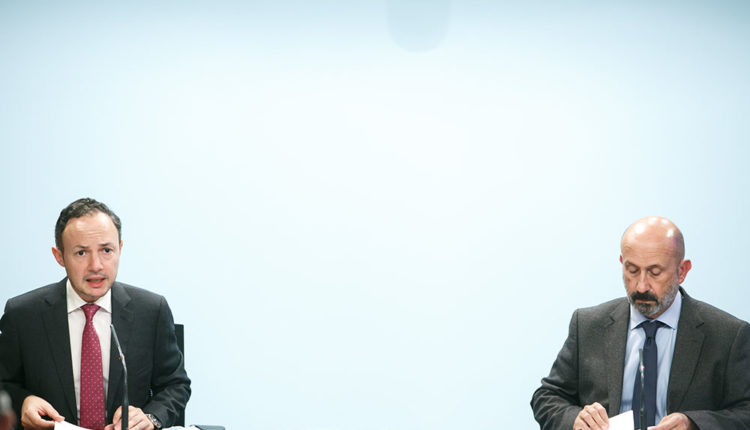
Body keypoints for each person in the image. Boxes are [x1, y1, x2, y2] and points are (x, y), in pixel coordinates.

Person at [531, 216, 750, 430]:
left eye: (655, 272)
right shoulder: (588, 325)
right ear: (622, 263)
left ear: (682, 271)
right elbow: (548, 396)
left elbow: (745, 412)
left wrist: (693, 423)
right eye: (632, 270)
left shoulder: (728, 335)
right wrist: (575, 420)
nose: (641, 286)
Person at [0, 198, 190, 430]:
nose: (96, 265)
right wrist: (23, 401)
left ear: (120, 249)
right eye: (81, 253)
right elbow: (4, 384)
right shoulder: (23, 315)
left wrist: (151, 417)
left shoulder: (151, 310)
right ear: (59, 256)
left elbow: (175, 385)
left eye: (106, 250)